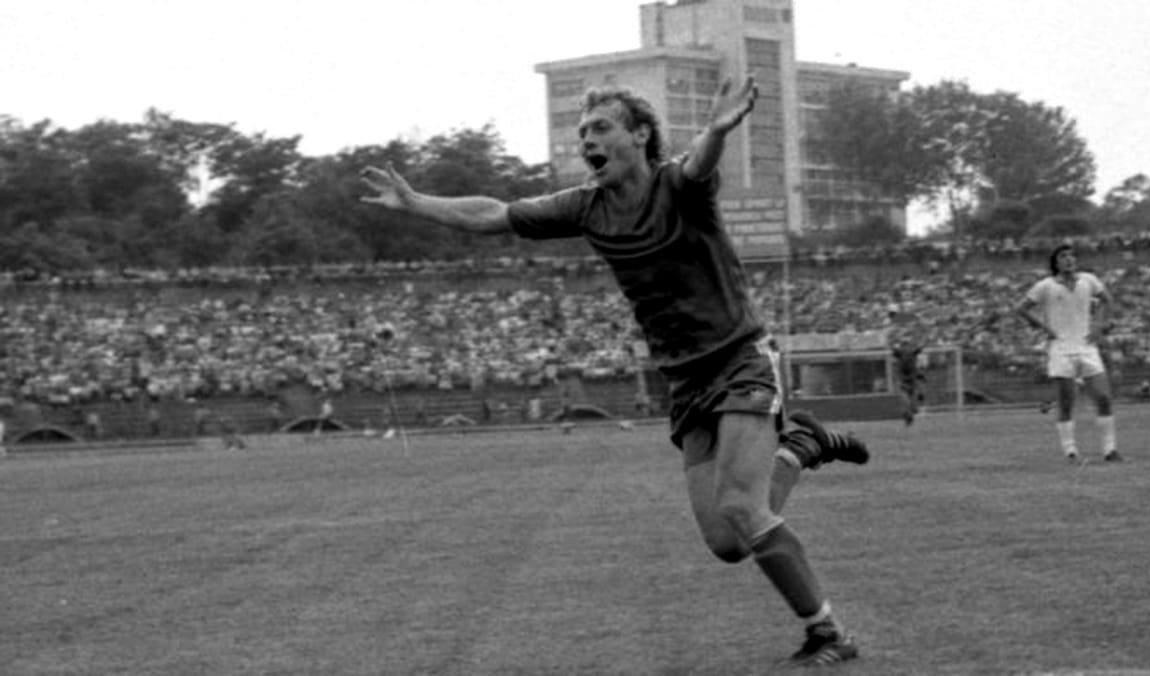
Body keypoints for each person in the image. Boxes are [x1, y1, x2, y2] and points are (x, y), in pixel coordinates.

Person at [361, 76, 869, 666]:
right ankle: (800, 447)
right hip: (686, 383)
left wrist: (717, 130)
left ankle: (828, 633)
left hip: (740, 361)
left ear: (641, 135)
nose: (587, 140)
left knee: (741, 506)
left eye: (600, 127)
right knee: (727, 541)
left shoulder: (678, 186)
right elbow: (494, 213)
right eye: (582, 132)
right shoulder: (585, 206)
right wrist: (417, 202)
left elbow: (700, 162)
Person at [1016, 243, 1122, 463]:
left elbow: (1108, 300)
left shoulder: (1088, 280)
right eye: (1063, 256)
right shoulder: (1046, 285)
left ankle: (1110, 449)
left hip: (1086, 346)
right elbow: (1021, 308)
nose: (1069, 259)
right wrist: (1044, 328)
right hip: (1061, 348)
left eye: (1072, 256)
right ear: (1056, 262)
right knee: (1066, 402)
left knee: (1103, 397)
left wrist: (1100, 326)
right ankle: (1070, 450)